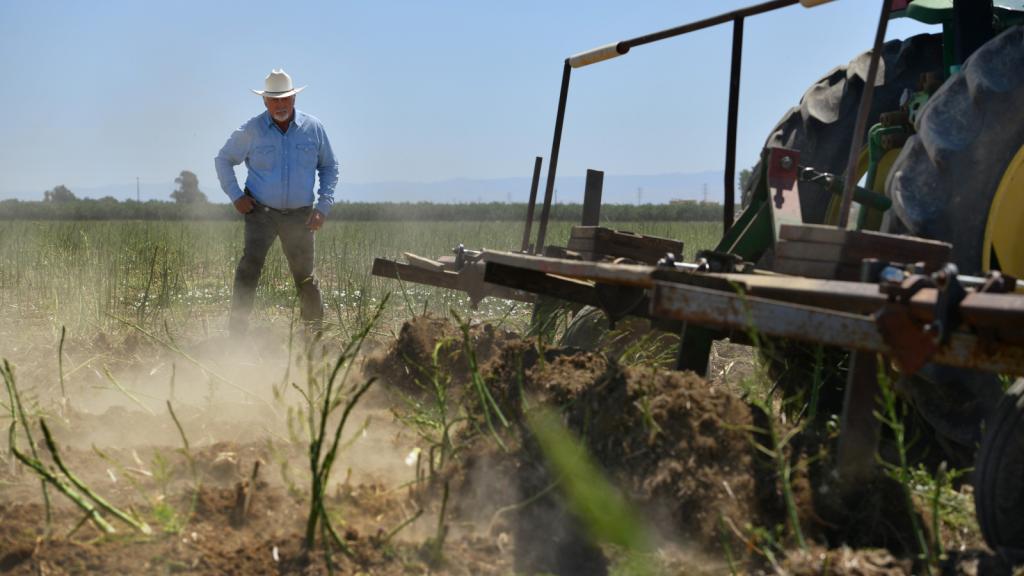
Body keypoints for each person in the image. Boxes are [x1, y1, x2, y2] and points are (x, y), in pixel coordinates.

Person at [215, 68, 339, 336]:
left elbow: (329, 166)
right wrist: (236, 196)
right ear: (265, 102)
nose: (280, 105)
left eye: (285, 99)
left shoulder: (313, 129)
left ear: (294, 98)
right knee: (249, 270)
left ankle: (313, 336)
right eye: (274, 100)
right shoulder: (251, 130)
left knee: (305, 277)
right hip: (261, 213)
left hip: (301, 215)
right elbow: (223, 159)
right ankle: (237, 335)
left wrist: (323, 206)